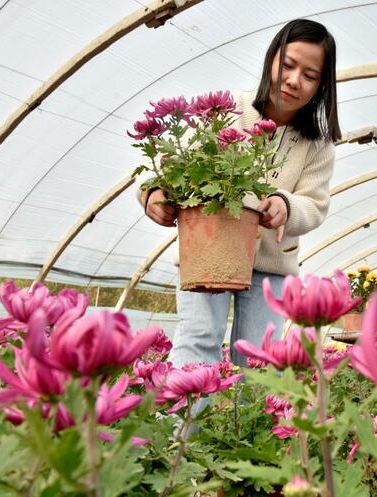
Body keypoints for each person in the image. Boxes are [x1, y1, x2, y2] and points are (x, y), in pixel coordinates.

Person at [138, 19, 340, 367]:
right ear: (271, 59)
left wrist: (286, 206)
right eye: (288, 65)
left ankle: (247, 423)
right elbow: (175, 165)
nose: (294, 80)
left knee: (258, 360)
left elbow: (315, 204)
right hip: (209, 248)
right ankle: (181, 423)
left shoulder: (318, 145)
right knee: (198, 343)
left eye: (310, 75)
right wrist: (153, 192)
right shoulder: (229, 111)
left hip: (271, 267)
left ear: (322, 84)